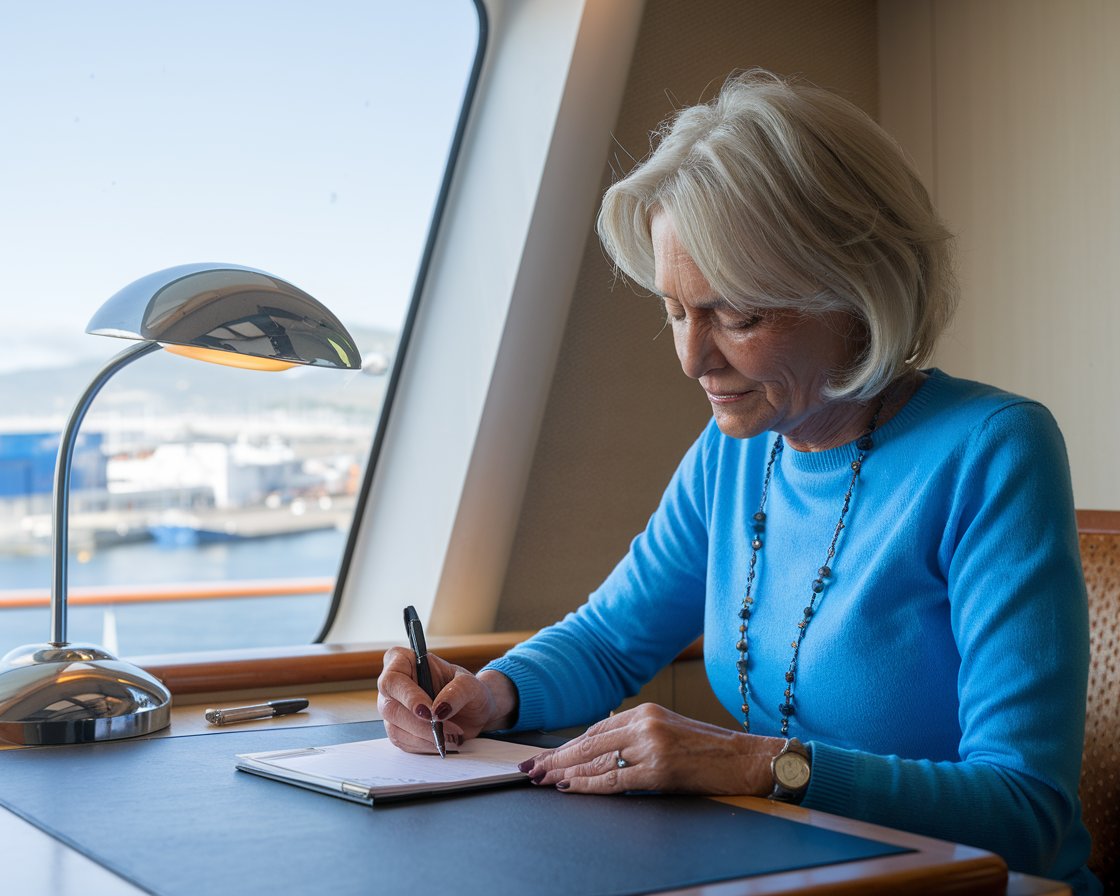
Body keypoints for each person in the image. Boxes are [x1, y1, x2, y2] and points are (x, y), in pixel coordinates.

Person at [376, 69, 1099, 894]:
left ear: (857, 293)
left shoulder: (993, 451)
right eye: (676, 311)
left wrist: (757, 765)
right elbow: (610, 640)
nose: (693, 358)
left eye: (739, 316)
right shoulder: (736, 451)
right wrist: (488, 693)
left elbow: (1029, 813)